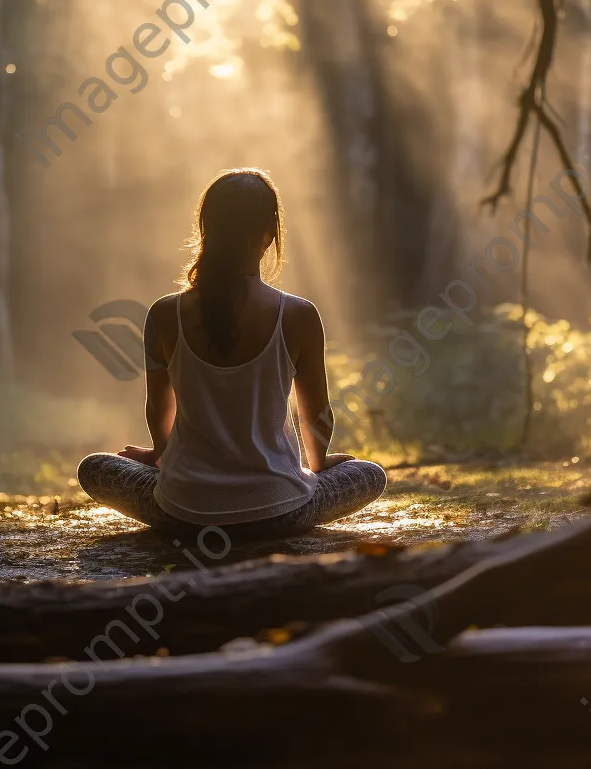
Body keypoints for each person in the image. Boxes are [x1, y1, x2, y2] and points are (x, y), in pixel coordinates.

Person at [77, 168, 387, 539]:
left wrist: (160, 455)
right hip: (280, 512)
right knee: (369, 473)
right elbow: (316, 416)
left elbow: (159, 411)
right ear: (270, 234)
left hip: (186, 514)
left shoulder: (164, 313)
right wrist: (318, 466)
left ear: (207, 230)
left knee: (94, 467)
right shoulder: (299, 314)